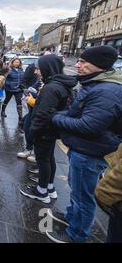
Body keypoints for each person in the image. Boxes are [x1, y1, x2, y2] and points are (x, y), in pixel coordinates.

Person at [47, 46, 122, 243]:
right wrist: (62, 115)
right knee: (76, 188)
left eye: (82, 62)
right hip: (84, 148)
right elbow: (78, 113)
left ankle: (76, 234)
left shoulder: (107, 91)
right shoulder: (98, 85)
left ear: (98, 65)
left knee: (83, 196)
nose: (77, 65)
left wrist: (55, 118)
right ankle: (72, 217)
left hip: (90, 151)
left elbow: (89, 125)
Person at [19, 55, 77, 205]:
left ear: (47, 68)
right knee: (49, 158)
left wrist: (33, 131)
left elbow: (43, 114)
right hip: (51, 131)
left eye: (39, 69)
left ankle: (41, 191)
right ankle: (49, 187)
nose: (36, 72)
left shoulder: (51, 88)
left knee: (43, 160)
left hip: (44, 131)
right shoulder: (59, 84)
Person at [1, 58, 25, 126]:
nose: (17, 63)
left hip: (18, 90)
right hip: (10, 89)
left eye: (18, 62)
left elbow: (22, 79)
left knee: (19, 102)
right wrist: (9, 84)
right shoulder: (9, 70)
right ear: (12, 63)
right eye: (15, 62)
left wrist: (22, 85)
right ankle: (3, 111)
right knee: (6, 100)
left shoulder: (21, 70)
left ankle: (20, 117)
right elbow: (4, 78)